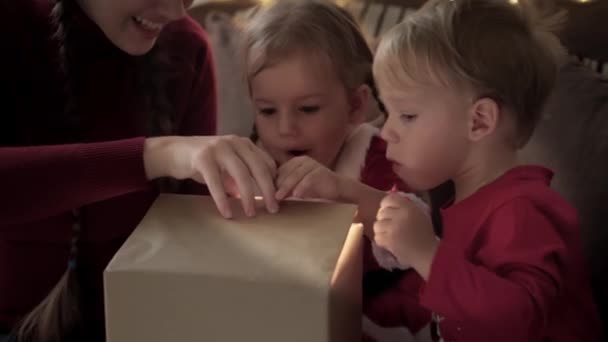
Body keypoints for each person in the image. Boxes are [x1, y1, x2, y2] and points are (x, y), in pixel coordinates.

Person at [0, 0, 279, 341]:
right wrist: (152, 155)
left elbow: (194, 232)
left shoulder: (186, 47)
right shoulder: (12, 25)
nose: (177, 12)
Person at [370, 0, 603, 341]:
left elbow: (516, 319)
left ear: (479, 121)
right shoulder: (468, 198)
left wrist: (425, 254)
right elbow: (450, 298)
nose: (386, 131)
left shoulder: (522, 213)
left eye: (406, 115)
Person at [240, 1, 430, 341]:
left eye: (308, 109)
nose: (285, 128)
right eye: (267, 111)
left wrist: (346, 192)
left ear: (355, 105)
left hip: (376, 319)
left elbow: (416, 230)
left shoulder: (380, 156)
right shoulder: (251, 160)